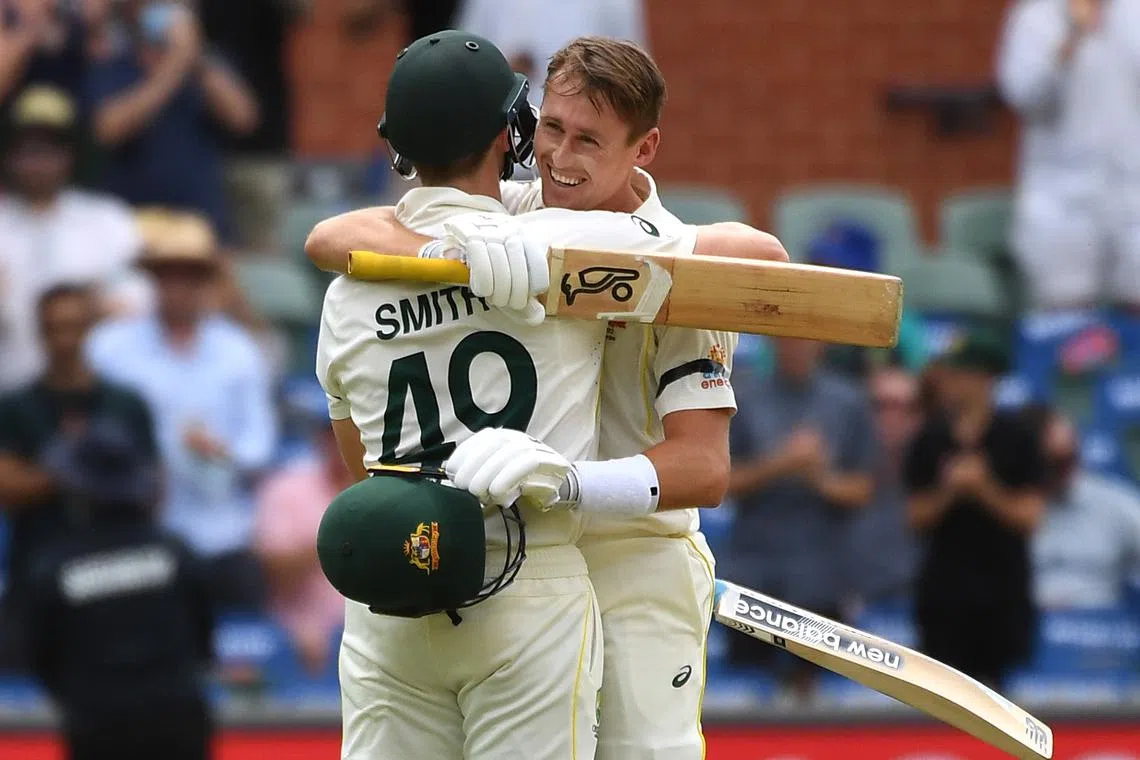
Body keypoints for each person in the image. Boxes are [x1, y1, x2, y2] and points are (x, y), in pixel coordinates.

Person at [306, 35, 787, 760]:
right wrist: (449, 250)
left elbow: (706, 467)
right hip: (518, 563)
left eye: (589, 140)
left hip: (634, 557)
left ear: (644, 148)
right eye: (552, 129)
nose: (561, 157)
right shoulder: (525, 210)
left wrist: (566, 484)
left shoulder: (662, 251)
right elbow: (341, 234)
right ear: (520, 130)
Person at [86, 209, 277, 613]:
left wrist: (223, 451)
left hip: (223, 533)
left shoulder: (237, 351)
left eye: (190, 275)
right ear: (153, 279)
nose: (178, 286)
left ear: (206, 281)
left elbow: (260, 446)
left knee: (243, 655)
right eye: (168, 274)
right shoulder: (109, 349)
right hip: (138, 533)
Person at [25, 418, 215, 760]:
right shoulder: (176, 554)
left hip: (96, 724)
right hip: (177, 721)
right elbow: (204, 641)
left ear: (77, 488)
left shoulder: (54, 568)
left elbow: (41, 657)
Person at [0, 284, 157, 671]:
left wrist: (52, 472)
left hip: (117, 571)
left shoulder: (125, 402)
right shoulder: (16, 406)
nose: (64, 339)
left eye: (73, 327)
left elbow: (152, 487)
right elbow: (7, 486)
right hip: (37, 568)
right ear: (40, 332)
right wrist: (93, 472)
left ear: (89, 330)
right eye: (54, 328)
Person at [725, 337, 877, 699]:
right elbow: (723, 483)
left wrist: (819, 478)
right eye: (788, 342)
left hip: (822, 572)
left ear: (821, 346)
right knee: (749, 688)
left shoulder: (848, 401)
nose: (796, 349)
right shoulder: (744, 399)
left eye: (805, 342)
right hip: (753, 570)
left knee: (817, 688)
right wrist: (782, 464)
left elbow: (863, 489)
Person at [903, 329, 1047, 690]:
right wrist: (950, 491)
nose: (949, 382)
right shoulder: (931, 438)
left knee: (1003, 700)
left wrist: (984, 489)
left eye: (960, 372)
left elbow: (1030, 516)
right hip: (944, 595)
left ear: (985, 377)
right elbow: (915, 517)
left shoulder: (1017, 437)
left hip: (1003, 594)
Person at [0, 84, 145, 393]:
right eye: (27, 150)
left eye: (50, 150)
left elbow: (138, 299)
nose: (37, 163)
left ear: (69, 155)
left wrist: (90, 308)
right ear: (10, 156)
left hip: (91, 390)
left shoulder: (106, 219)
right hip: (10, 390)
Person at [996, 0, 1140, 310]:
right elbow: (1025, 96)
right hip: (1062, 197)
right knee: (1068, 321)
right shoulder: (1035, 18)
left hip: (1132, 192)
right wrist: (1071, 37)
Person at [1031, 408, 1140, 610]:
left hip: (1101, 633)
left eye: (1068, 459)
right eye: (1053, 462)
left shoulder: (1115, 504)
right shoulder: (1004, 506)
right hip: (1024, 630)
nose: (1064, 472)